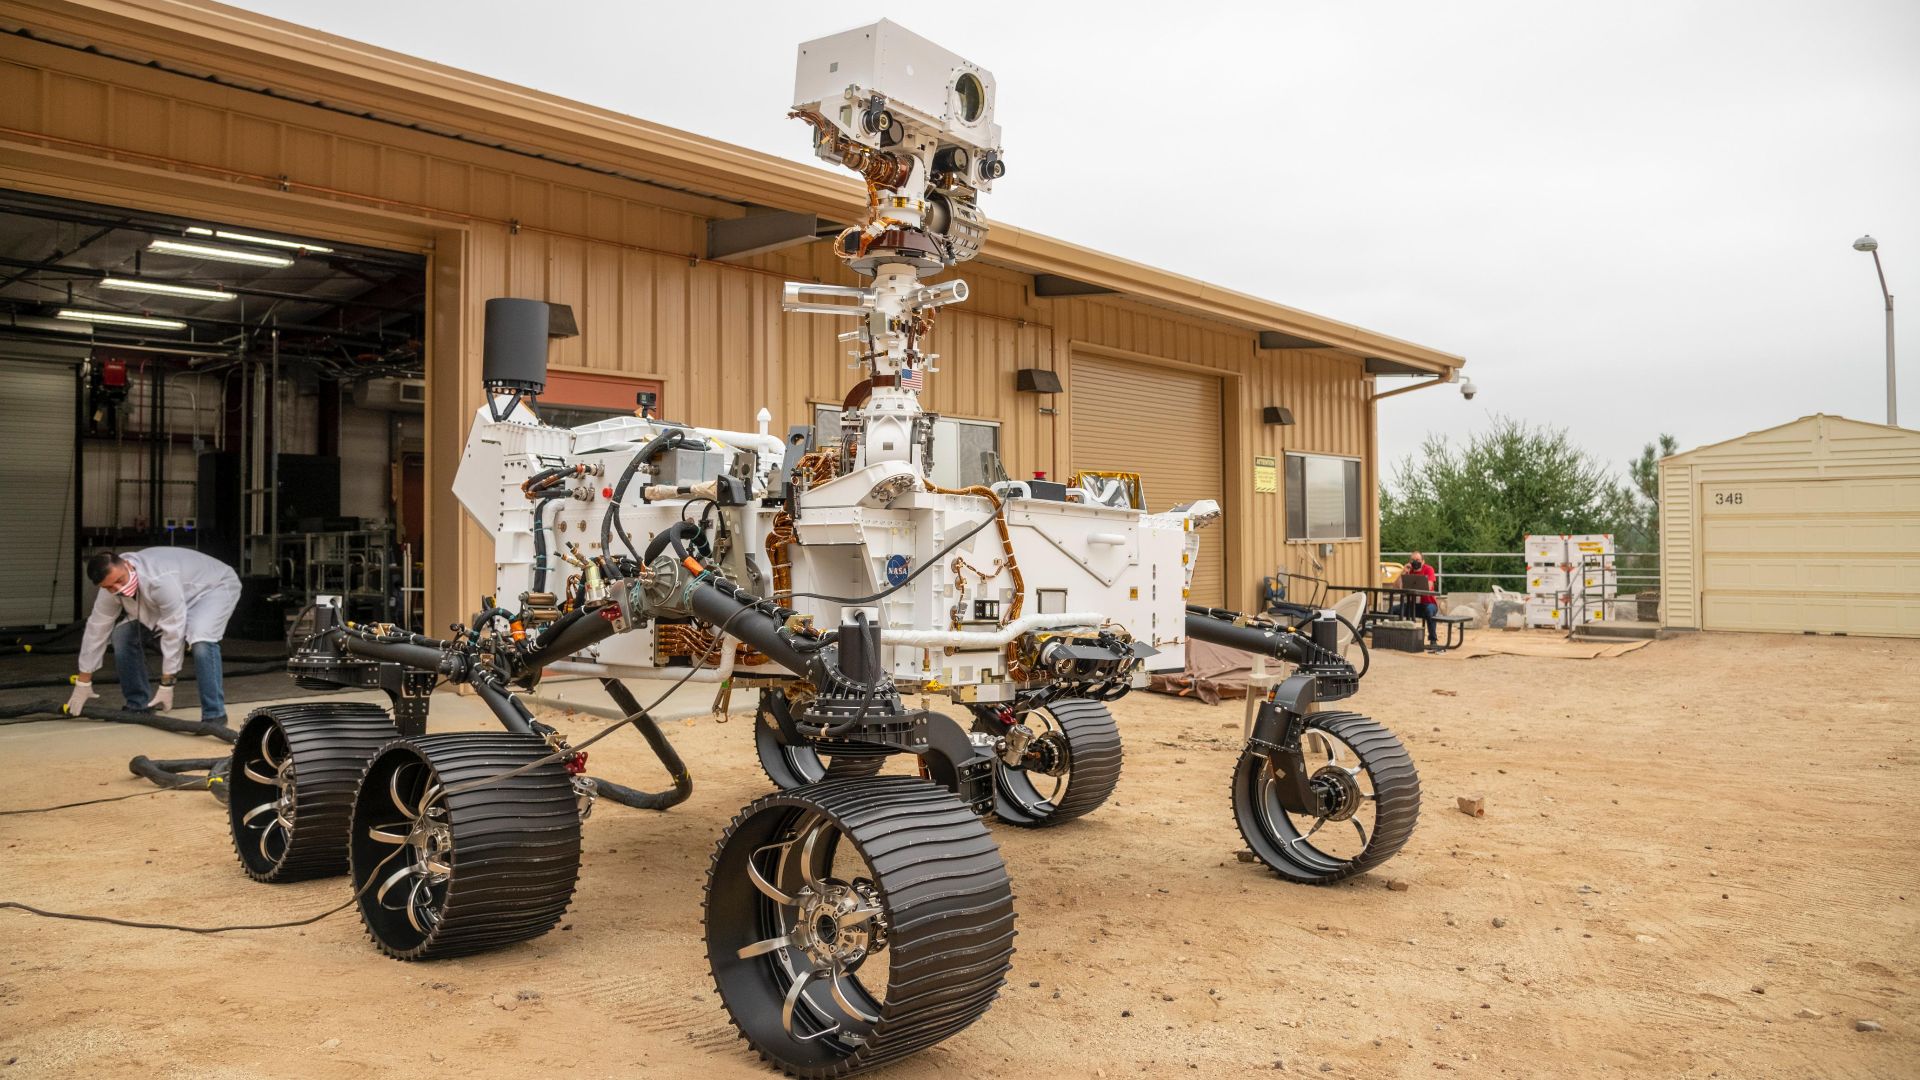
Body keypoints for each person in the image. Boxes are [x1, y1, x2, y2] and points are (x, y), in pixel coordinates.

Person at [66, 549, 242, 725]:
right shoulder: (110, 588)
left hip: (212, 588)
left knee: (201, 641)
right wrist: (83, 681)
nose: (119, 589)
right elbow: (96, 629)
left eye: (120, 581)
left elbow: (174, 631)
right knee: (122, 636)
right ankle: (138, 706)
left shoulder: (159, 579)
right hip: (171, 598)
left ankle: (214, 715)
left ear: (127, 565)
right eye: (110, 587)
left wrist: (167, 682)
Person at [1402, 551, 1440, 647]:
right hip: (1413, 604)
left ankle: (1433, 640)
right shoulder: (1408, 571)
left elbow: (1429, 585)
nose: (1415, 562)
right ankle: (1396, 637)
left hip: (1429, 603)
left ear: (1423, 561)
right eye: (1413, 560)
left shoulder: (1428, 569)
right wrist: (1403, 573)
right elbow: (1396, 587)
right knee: (1394, 610)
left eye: (1418, 560)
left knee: (1429, 611)